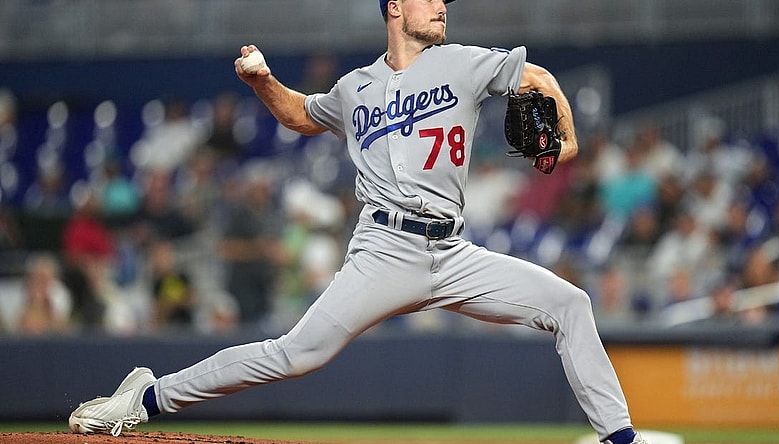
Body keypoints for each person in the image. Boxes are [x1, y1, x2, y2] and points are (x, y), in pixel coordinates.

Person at [68, 2, 648, 443]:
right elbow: (301, 114)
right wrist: (262, 82)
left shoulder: (465, 63)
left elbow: (539, 79)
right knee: (295, 355)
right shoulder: (355, 88)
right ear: (395, 8)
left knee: (571, 304)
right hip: (383, 250)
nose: (441, 5)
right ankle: (148, 395)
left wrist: (567, 142)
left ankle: (620, 439)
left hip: (452, 252)